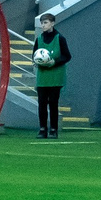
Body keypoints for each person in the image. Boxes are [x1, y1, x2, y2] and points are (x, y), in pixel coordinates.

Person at [32, 10, 71, 138]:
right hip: (42, 76)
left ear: (52, 23)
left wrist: (54, 61)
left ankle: (53, 129)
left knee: (53, 102)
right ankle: (42, 128)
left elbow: (67, 56)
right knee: (42, 103)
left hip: (55, 75)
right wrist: (37, 62)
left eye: (45, 23)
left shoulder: (60, 38)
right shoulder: (39, 39)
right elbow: (34, 56)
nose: (43, 25)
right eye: (42, 23)